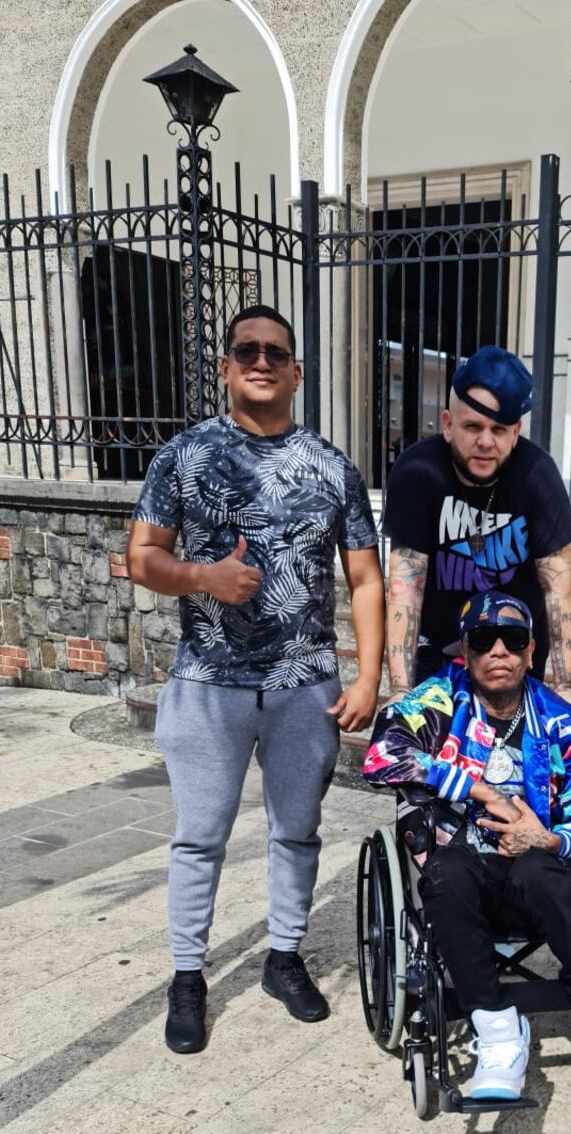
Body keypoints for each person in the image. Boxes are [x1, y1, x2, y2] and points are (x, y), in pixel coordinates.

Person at [127, 304, 385, 1054]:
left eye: (276, 351)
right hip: (208, 680)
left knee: (296, 832)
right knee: (199, 837)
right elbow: (141, 557)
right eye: (247, 350)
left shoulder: (332, 466)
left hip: (305, 682)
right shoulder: (184, 456)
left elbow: (364, 579)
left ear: (297, 371)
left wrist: (368, 678)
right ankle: (187, 978)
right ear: (227, 365)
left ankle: (282, 957)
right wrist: (204, 575)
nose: (262, 361)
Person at [363, 590, 571, 1102]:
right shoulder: (434, 703)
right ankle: (497, 1033)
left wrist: (552, 838)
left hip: (542, 874)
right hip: (465, 870)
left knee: (539, 867)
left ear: (531, 651)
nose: (498, 652)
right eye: (482, 641)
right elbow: (380, 757)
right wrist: (477, 788)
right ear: (463, 652)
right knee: (446, 874)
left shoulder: (564, 722)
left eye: (512, 641)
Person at [382, 345, 571, 697]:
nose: (485, 442)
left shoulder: (538, 473)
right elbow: (404, 590)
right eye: (472, 426)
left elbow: (559, 589)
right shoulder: (417, 472)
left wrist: (564, 687)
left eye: (499, 429)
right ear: (447, 424)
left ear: (516, 431)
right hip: (438, 658)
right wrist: (400, 689)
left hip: (513, 656)